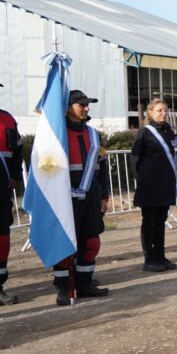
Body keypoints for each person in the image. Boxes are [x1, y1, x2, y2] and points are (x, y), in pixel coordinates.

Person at [54, 90, 112, 305]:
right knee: (66, 244)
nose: (86, 108)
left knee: (91, 242)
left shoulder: (94, 134)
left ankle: (85, 283)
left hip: (91, 195)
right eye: (81, 105)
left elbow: (102, 167)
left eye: (88, 105)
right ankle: (63, 287)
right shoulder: (57, 134)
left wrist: (104, 196)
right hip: (64, 197)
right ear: (69, 107)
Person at [131, 99, 177, 272]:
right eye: (159, 110)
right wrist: (143, 181)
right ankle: (150, 258)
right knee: (149, 222)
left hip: (165, 185)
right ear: (150, 112)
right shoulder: (145, 132)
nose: (163, 113)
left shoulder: (168, 131)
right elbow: (135, 160)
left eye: (165, 110)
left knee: (161, 221)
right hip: (150, 186)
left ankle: (160, 255)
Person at [0, 95, 23, 304]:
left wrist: (15, 176)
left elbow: (17, 151)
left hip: (2, 190)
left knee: (2, 239)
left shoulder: (7, 119)